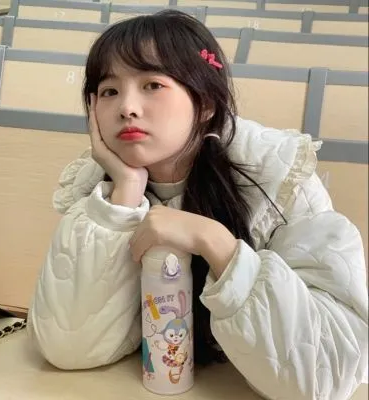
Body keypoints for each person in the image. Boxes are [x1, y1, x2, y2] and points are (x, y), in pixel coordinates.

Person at [27, 10, 368, 400]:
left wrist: (217, 244)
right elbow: (68, 347)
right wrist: (124, 196)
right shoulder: (97, 189)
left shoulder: (279, 179)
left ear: (205, 102)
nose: (127, 107)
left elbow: (322, 377)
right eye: (109, 91)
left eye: (152, 84)